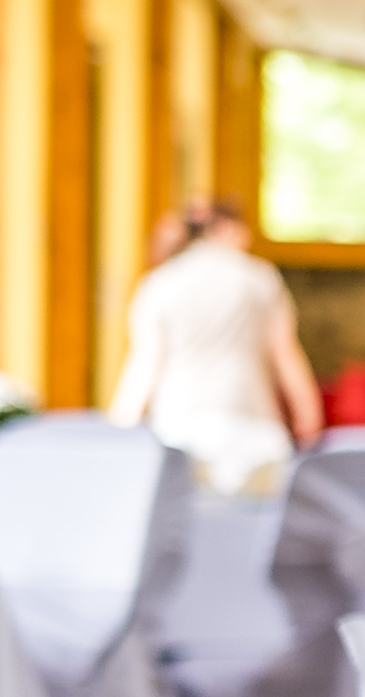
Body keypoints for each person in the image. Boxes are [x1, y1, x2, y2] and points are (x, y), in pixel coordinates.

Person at [109, 197, 322, 493]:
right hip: (254, 432)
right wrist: (309, 416)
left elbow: (144, 365)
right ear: (226, 228)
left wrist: (120, 432)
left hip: (177, 431)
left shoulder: (159, 283)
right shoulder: (259, 278)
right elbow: (285, 354)